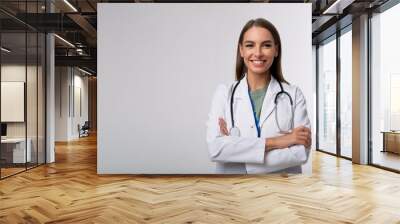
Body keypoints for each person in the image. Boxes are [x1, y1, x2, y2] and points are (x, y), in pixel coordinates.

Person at [206, 18, 311, 174]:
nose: (258, 53)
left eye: (266, 45)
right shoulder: (224, 93)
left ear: (276, 50)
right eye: (250, 45)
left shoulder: (293, 95)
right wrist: (281, 141)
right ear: (241, 50)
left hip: (282, 191)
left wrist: (240, 153)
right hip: (233, 190)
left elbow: (300, 153)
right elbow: (216, 149)